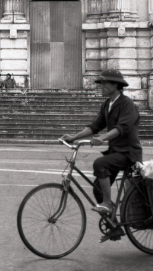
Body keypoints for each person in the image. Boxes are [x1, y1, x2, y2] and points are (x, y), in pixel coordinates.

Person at [61, 69, 142, 227]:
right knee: (97, 188)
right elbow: (95, 126)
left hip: (128, 153)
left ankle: (107, 203)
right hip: (115, 152)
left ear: (115, 85)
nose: (102, 86)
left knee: (100, 163)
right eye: (102, 83)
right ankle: (114, 226)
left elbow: (123, 127)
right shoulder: (107, 104)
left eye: (105, 83)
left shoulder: (127, 104)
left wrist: (103, 138)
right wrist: (73, 137)